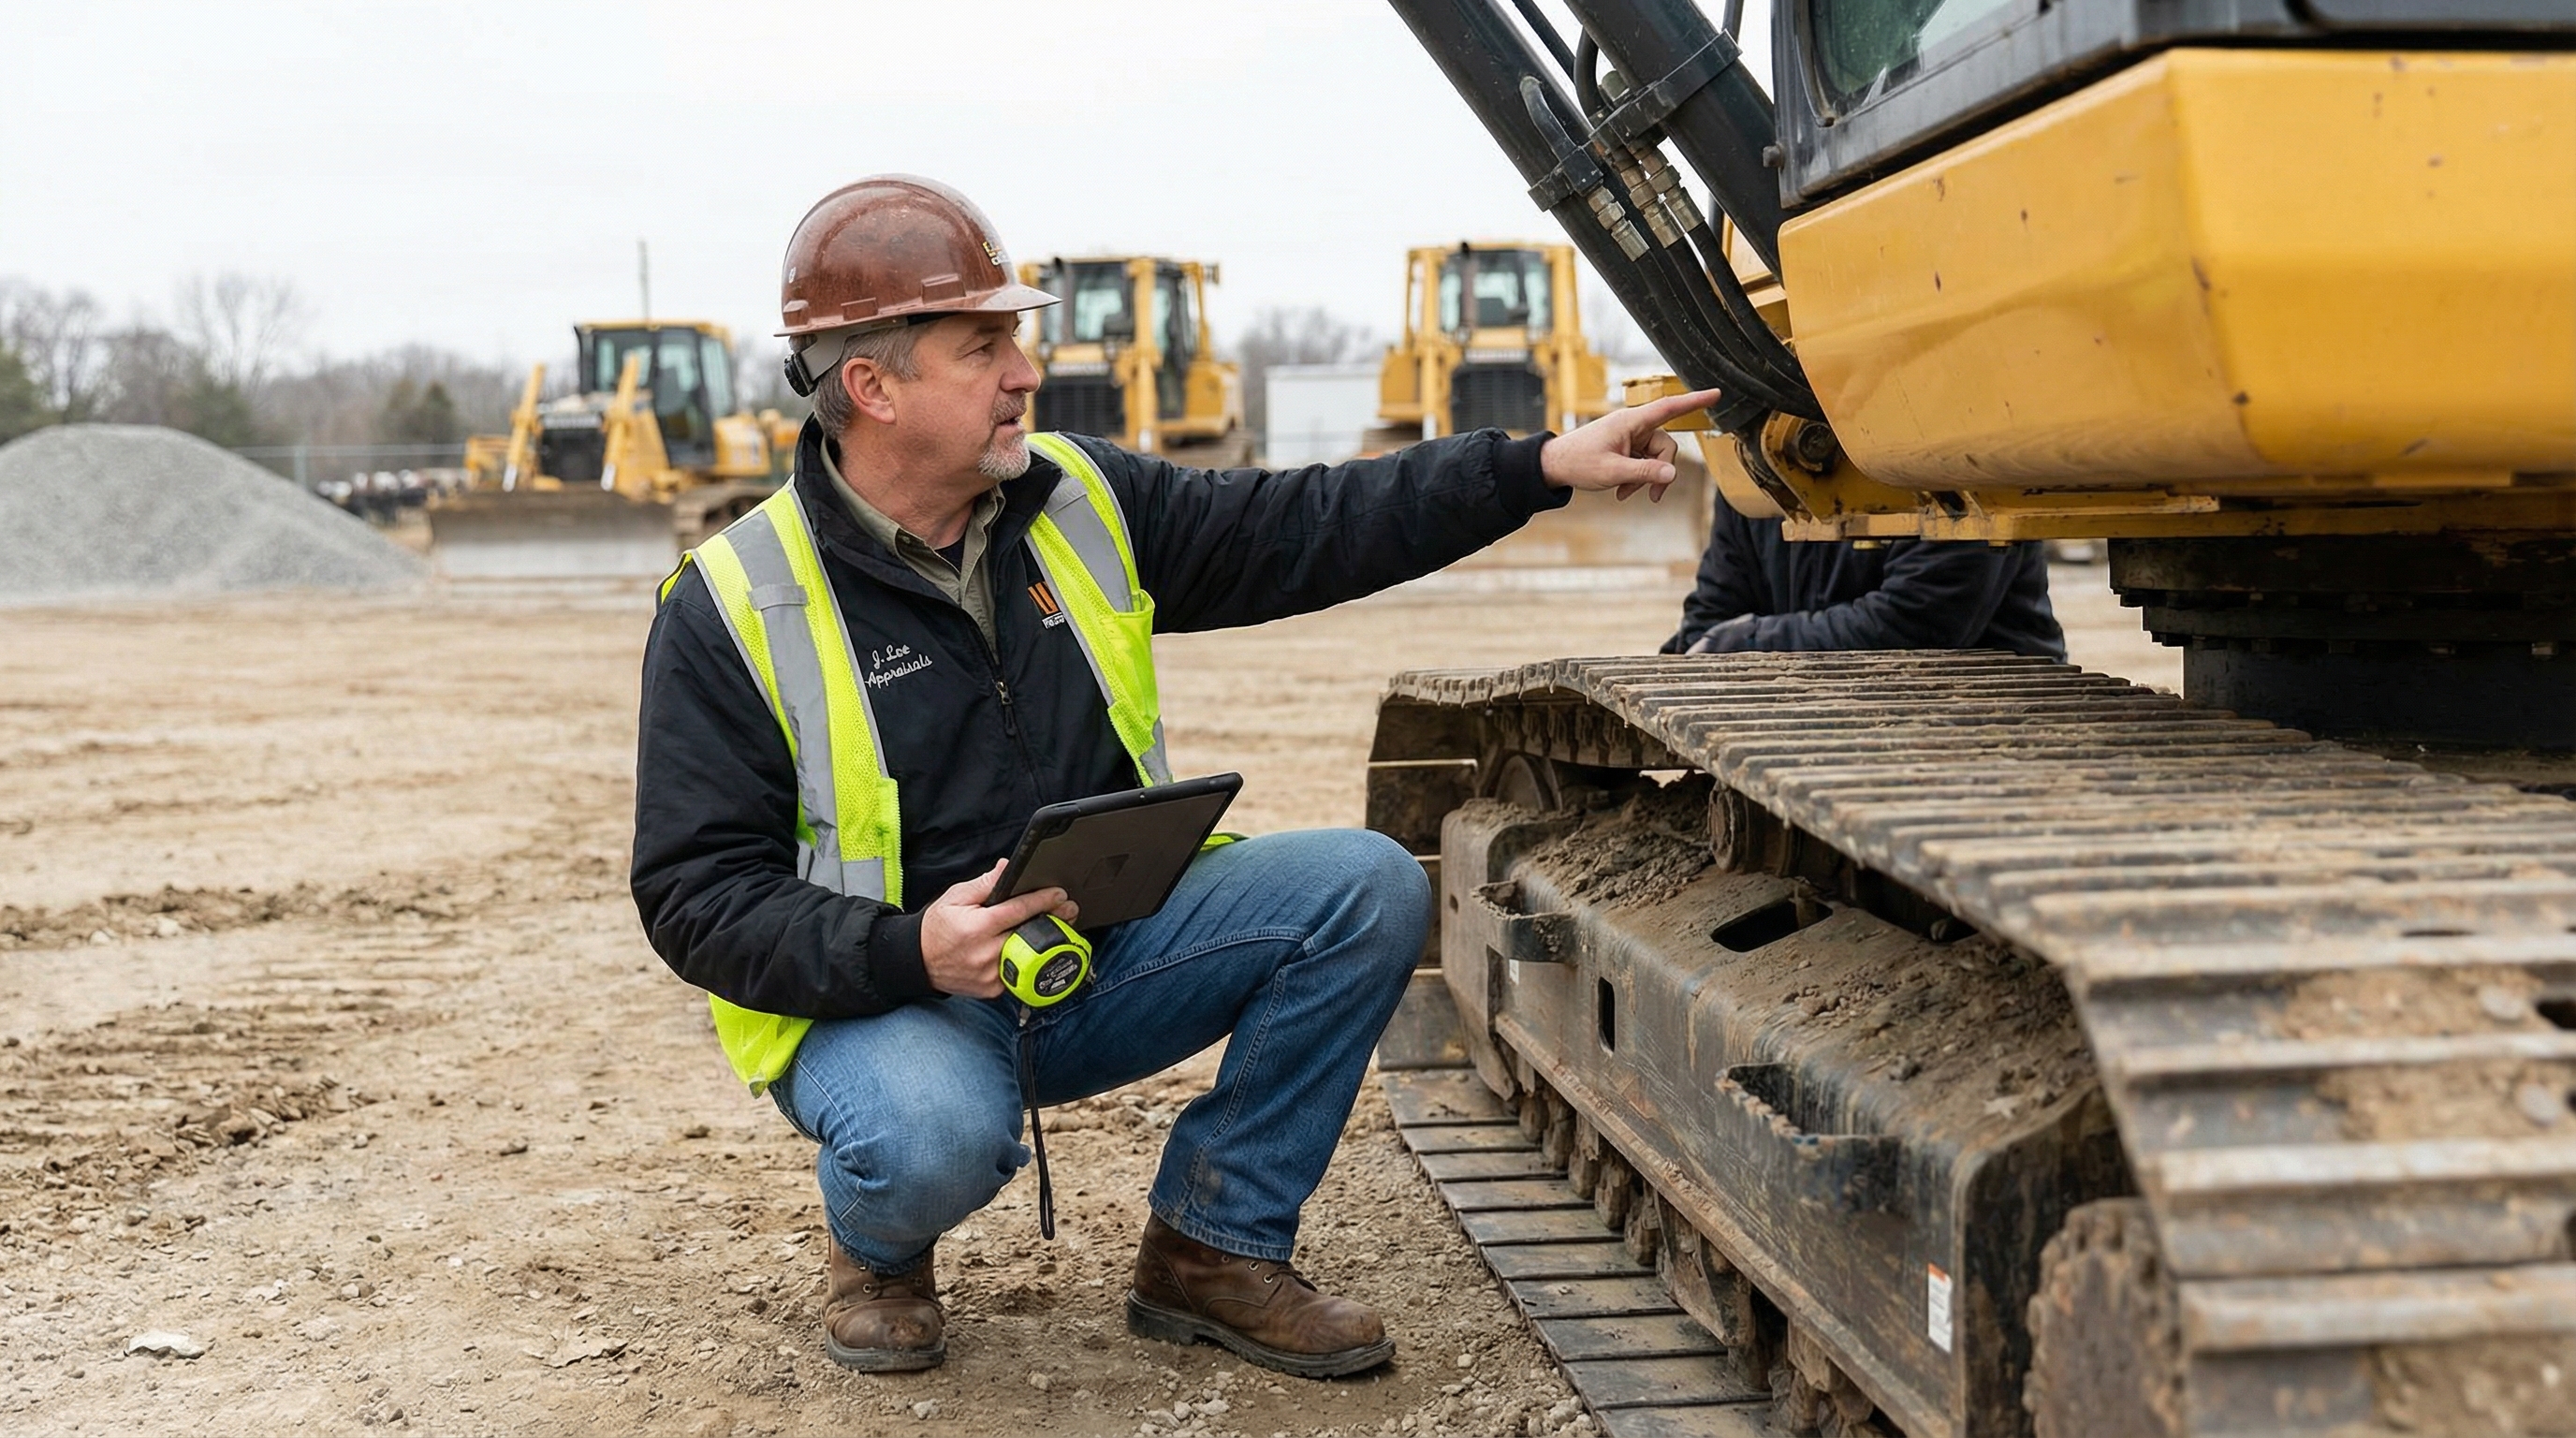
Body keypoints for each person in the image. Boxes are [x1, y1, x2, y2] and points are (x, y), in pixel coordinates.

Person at [629, 174, 1717, 1380]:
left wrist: (1536, 466)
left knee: (1360, 889)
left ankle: (1210, 1246)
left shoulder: (1077, 499)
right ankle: (878, 1246)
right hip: (893, 1002)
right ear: (873, 389)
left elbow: (1304, 524)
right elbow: (694, 893)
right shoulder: (732, 602)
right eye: (982, 346)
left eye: (1017, 342)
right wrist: (908, 950)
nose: (1024, 374)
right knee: (927, 1136)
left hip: (1101, 957)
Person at [1661, 503, 2066, 657]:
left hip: (1979, 702)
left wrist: (1748, 642)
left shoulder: (1955, 457)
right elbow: (1712, 615)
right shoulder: (1754, 478)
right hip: (1830, 703)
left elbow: (1916, 625)